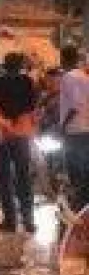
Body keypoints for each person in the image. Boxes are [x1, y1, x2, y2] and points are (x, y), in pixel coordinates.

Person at [0, 52, 39, 234]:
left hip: (4, 133)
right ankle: (28, 220)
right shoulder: (27, 82)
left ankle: (10, 220)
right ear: (20, 64)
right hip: (21, 133)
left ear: (5, 64)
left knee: (5, 178)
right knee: (24, 177)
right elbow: (32, 105)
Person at [57, 46, 89, 211]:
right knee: (84, 169)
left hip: (75, 130)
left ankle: (80, 207)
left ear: (64, 58)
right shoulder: (84, 76)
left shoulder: (69, 77)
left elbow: (76, 105)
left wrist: (62, 125)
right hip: (85, 128)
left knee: (76, 170)